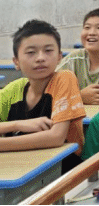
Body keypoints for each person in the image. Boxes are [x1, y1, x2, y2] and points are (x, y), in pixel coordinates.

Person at [0, 20, 86, 172]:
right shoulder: (14, 89)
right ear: (16, 62)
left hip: (62, 170)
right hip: (18, 169)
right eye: (31, 52)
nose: (40, 58)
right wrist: (16, 125)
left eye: (48, 50)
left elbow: (56, 137)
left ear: (59, 57)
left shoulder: (64, 79)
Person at [57, 8, 99, 105]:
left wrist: (74, 97)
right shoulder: (74, 58)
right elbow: (51, 88)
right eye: (87, 27)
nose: (91, 33)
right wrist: (79, 96)